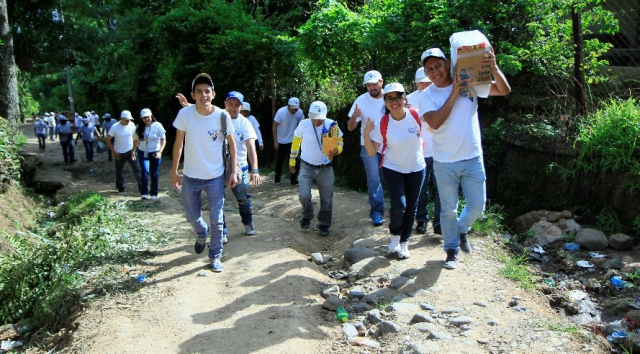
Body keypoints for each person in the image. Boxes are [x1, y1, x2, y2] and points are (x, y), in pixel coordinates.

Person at [419, 47, 511, 270]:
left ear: (447, 63)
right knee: (448, 209)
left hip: (472, 158)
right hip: (445, 161)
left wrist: (493, 67)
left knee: (477, 206)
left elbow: (504, 90)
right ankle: (451, 249)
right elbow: (435, 122)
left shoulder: (470, 84)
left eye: (438, 66)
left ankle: (461, 230)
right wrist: (453, 93)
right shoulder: (426, 96)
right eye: (429, 69)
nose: (434, 72)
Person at [171, 73, 238, 273]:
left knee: (217, 220)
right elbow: (178, 144)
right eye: (199, 91)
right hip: (190, 176)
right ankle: (202, 232)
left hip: (215, 177)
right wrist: (174, 171)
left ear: (213, 94)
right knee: (192, 217)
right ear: (193, 95)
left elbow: (232, 145)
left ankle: (215, 256)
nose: (203, 95)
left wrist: (233, 171)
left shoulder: (222, 116)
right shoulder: (185, 115)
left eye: (207, 91)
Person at [363, 83, 425, 259]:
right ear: (385, 101)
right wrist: (366, 133)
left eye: (398, 97)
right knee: (399, 206)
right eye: (390, 98)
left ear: (404, 99)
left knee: (411, 207)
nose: (394, 101)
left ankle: (404, 243)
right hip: (393, 168)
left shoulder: (416, 115)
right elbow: (371, 151)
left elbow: (436, 128)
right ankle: (394, 235)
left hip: (416, 167)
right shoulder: (383, 122)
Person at [290, 101, 343, 236]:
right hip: (306, 166)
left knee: (326, 199)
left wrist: (338, 150)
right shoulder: (304, 124)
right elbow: (296, 143)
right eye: (314, 117)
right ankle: (307, 214)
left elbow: (340, 141)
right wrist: (292, 161)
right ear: (309, 115)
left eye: (320, 118)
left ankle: (324, 225)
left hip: (326, 168)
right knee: (304, 195)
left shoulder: (332, 125)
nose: (317, 121)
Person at [347, 70, 386, 226]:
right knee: (374, 179)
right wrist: (354, 116)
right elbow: (350, 127)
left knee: (389, 178)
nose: (372, 88)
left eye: (374, 84)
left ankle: (399, 208)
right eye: (368, 85)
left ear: (381, 82)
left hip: (389, 145)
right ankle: (377, 213)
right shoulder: (361, 100)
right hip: (368, 145)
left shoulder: (391, 96)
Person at [407, 67, 441, 235]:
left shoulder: (441, 96)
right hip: (419, 151)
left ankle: (439, 222)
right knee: (420, 188)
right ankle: (421, 220)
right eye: (421, 83)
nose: (425, 86)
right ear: (416, 84)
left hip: (441, 149)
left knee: (441, 186)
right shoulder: (408, 100)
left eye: (427, 82)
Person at [224, 92, 262, 235]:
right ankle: (222, 231)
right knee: (217, 199)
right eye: (230, 104)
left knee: (242, 198)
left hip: (239, 166)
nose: (232, 108)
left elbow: (251, 148)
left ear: (241, 107)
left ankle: (248, 222)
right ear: (225, 104)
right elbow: (203, 110)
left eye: (236, 105)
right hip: (219, 166)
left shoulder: (245, 123)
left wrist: (255, 170)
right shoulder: (218, 116)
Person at [106, 110, 142, 195]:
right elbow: (107, 139)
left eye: (129, 120)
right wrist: (113, 152)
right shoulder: (115, 127)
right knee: (119, 170)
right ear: (121, 119)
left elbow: (135, 137)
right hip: (119, 152)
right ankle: (120, 187)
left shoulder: (132, 125)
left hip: (131, 151)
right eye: (126, 120)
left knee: (137, 169)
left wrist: (135, 148)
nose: (128, 121)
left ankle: (142, 188)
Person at [136, 108, 166, 200]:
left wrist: (160, 151)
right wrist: (133, 151)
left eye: (148, 117)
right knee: (145, 171)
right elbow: (136, 140)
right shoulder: (139, 127)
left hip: (155, 152)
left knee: (154, 173)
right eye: (144, 118)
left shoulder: (158, 125)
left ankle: (154, 193)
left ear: (151, 116)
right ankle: (144, 193)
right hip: (142, 152)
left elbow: (163, 139)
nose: (146, 119)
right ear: (142, 119)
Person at [272, 97, 304, 185]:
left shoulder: (299, 113)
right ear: (288, 106)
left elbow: (303, 126)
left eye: (296, 109)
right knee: (280, 160)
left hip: (294, 140)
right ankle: (277, 177)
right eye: (293, 109)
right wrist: (275, 141)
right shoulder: (281, 112)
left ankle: (293, 179)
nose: (294, 111)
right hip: (282, 140)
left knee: (295, 159)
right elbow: (274, 126)